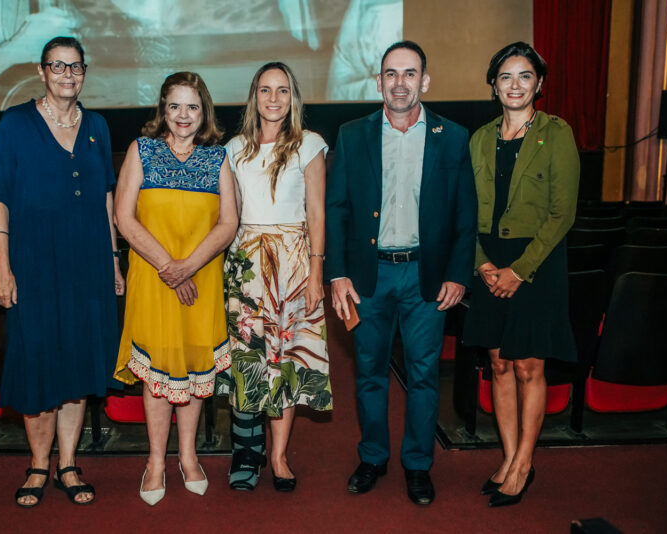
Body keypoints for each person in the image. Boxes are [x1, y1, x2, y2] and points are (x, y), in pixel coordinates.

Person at [325, 41, 477, 505]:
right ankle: (373, 457)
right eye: (391, 73)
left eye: (410, 73)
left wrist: (458, 274)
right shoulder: (352, 135)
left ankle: (417, 464)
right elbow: (337, 208)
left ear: (424, 81)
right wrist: (337, 273)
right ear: (378, 82)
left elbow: (465, 213)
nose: (400, 83)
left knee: (424, 375)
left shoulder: (453, 136)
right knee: (369, 372)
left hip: (426, 278)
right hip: (368, 279)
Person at [0, 36, 125, 508]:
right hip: (34, 265)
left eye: (76, 67)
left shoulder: (98, 126)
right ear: (41, 71)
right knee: (39, 362)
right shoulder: (14, 124)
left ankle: (68, 464)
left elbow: (106, 198)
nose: (68, 74)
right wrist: (2, 267)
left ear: (84, 72)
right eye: (58, 66)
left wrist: (113, 261)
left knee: (78, 365)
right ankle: (38, 464)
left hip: (88, 266)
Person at [462, 41, 579, 507]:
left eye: (524, 76)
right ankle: (509, 457)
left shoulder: (557, 133)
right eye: (506, 77)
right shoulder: (479, 138)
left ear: (539, 84)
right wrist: (483, 264)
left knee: (529, 366)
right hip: (489, 264)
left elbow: (562, 213)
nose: (515, 85)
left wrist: (519, 271)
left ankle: (524, 463)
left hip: (537, 264)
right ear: (493, 85)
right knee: (499, 364)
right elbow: (464, 211)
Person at [113, 72, 238, 506]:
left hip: (201, 279)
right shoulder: (142, 150)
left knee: (194, 366)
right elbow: (123, 217)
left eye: (192, 107)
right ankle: (154, 461)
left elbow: (229, 223)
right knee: (158, 369)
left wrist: (188, 267)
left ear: (204, 112)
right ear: (163, 110)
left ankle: (188, 456)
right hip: (154, 278)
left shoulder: (218, 157)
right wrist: (170, 268)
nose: (183, 115)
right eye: (175, 106)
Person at [223, 62, 332, 492]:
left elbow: (317, 212)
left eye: (282, 90)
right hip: (246, 267)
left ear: (293, 98)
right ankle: (247, 455)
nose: (273, 98)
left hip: (293, 267)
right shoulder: (233, 149)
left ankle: (279, 456)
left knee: (286, 362)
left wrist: (317, 271)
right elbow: (228, 216)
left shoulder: (310, 144)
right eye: (265, 90)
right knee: (250, 361)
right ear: (254, 97)